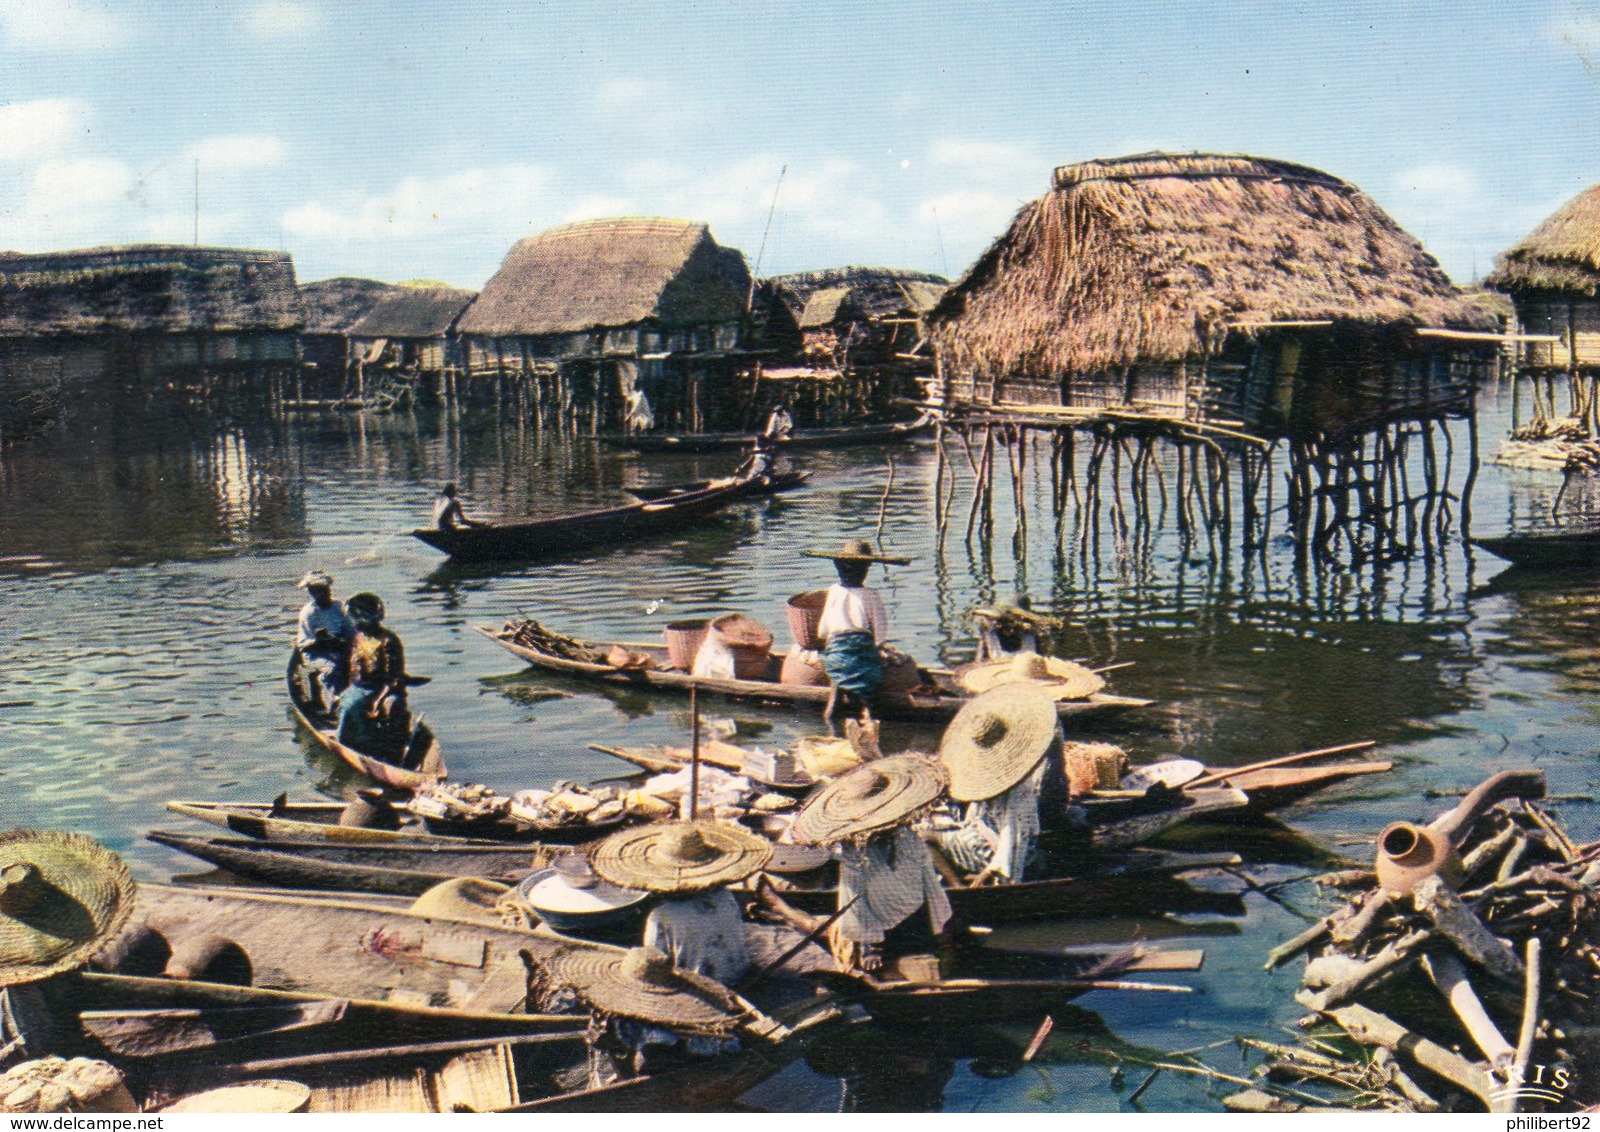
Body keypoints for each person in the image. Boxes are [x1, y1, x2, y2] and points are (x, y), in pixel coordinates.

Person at [780, 754, 952, 975]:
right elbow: (854, 899)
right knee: (831, 928)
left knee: (829, 929)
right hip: (881, 924)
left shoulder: (905, 835)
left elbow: (927, 878)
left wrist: (941, 923)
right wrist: (871, 946)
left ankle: (781, 907)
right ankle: (780, 908)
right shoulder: (857, 850)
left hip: (914, 918)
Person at [590, 820, 772, 987]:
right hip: (736, 975)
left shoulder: (661, 916)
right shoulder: (725, 896)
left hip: (702, 987)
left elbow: (653, 964)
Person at [933, 684, 1060, 884]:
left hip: (997, 853)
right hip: (989, 837)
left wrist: (991, 871)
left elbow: (1013, 836)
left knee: (925, 838)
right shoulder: (1010, 775)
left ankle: (956, 886)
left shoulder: (1018, 793)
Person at [801, 539, 912, 723]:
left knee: (837, 682)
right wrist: (880, 647)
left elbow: (823, 629)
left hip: (836, 655)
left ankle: (832, 723)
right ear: (866, 570)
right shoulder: (871, 596)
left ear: (839, 568)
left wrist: (828, 643)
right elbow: (880, 633)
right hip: (861, 655)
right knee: (870, 687)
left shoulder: (834, 591)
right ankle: (869, 715)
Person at [338, 592, 408, 754]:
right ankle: (355, 746)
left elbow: (394, 678)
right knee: (346, 710)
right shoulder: (358, 637)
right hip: (359, 688)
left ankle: (377, 747)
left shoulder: (388, 640)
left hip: (381, 689)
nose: (353, 621)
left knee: (382, 708)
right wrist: (345, 693)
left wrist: (378, 699)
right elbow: (352, 669)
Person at [293, 571, 353, 713]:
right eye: (318, 591)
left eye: (325, 590)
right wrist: (318, 640)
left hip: (339, 648)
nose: (324, 594)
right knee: (332, 669)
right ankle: (335, 708)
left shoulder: (339, 607)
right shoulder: (308, 613)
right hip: (317, 653)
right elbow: (306, 644)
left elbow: (350, 632)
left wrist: (344, 643)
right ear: (312, 593)